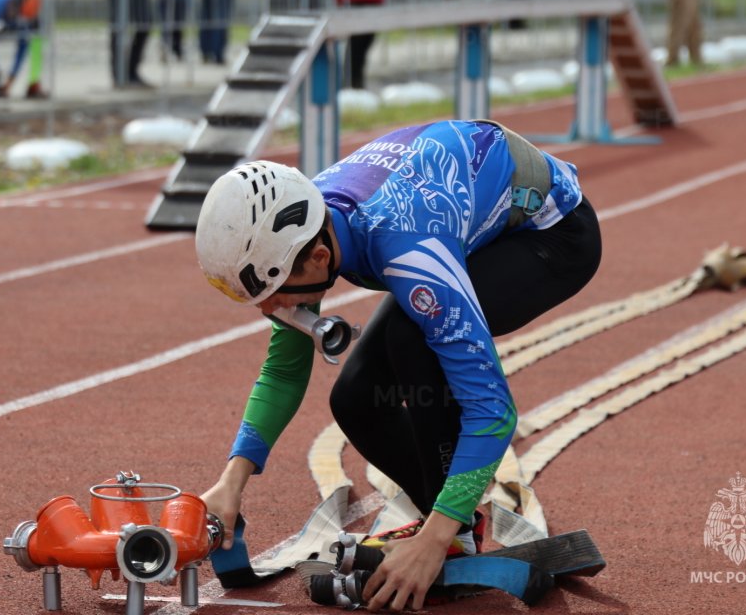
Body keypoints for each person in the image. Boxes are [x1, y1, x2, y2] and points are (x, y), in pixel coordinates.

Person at [195, 119, 603, 611]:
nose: (269, 310)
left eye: (272, 295)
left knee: (416, 339)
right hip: (459, 220)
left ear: (320, 257)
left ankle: (447, 535)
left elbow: (492, 411)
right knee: (355, 398)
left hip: (554, 236)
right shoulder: (304, 222)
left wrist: (432, 543)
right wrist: (231, 482)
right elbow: (284, 370)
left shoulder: (408, 249)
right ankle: (449, 517)